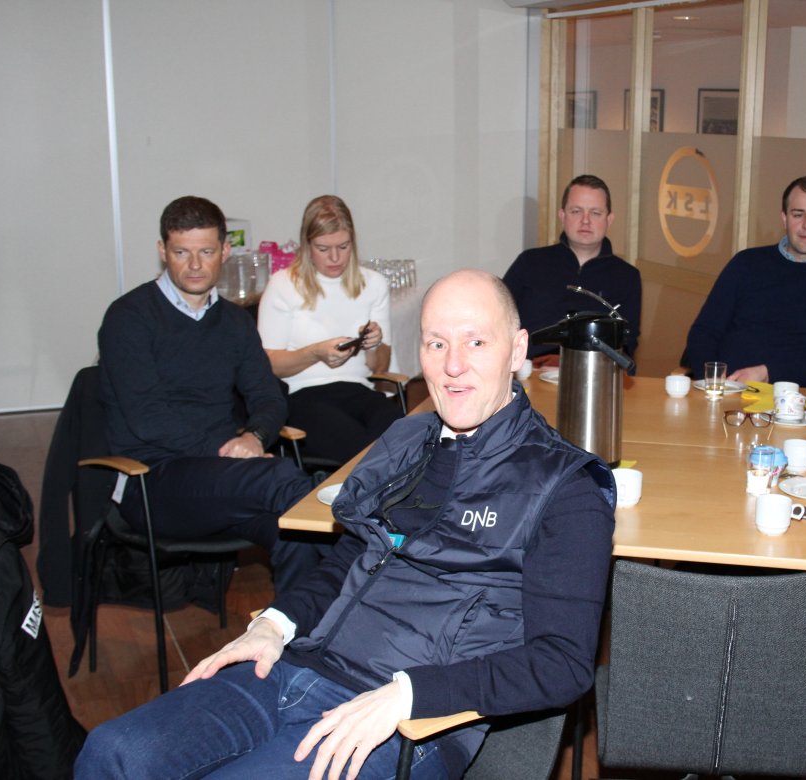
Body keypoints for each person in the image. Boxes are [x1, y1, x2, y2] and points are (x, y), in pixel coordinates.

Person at [76, 269, 617, 780]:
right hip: (298, 666)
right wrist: (275, 625)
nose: (453, 365)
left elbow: (562, 664)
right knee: (112, 753)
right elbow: (350, 559)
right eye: (436, 344)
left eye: (475, 342)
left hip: (407, 719)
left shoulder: (565, 487)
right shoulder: (405, 440)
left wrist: (409, 695)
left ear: (517, 351)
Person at [96, 196, 319, 597]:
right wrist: (229, 452)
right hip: (151, 480)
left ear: (225, 251)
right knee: (286, 481)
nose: (195, 265)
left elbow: (268, 397)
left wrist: (254, 437)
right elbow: (148, 418)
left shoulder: (234, 322)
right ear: (162, 251)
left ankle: (297, 631)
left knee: (300, 535)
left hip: (220, 478)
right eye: (181, 252)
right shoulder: (128, 318)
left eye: (206, 252)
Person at [685, 174, 806, 386]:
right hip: (725, 388)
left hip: (794, 397)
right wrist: (712, 382)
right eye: (798, 214)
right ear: (784, 219)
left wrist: (768, 373)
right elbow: (704, 332)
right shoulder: (746, 263)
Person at [257, 195, 402, 464]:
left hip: (358, 390)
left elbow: (380, 368)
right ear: (307, 245)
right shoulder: (283, 285)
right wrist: (315, 353)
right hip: (302, 396)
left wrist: (373, 343)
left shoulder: (373, 284)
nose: (335, 258)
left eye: (343, 247)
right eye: (323, 249)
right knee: (362, 451)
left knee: (401, 438)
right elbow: (269, 365)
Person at [504, 174, 642, 364]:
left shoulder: (627, 276)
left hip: (593, 373)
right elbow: (500, 322)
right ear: (562, 216)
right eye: (576, 211)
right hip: (528, 371)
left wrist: (569, 361)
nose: (585, 221)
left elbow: (627, 345)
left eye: (595, 213)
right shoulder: (529, 262)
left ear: (609, 220)